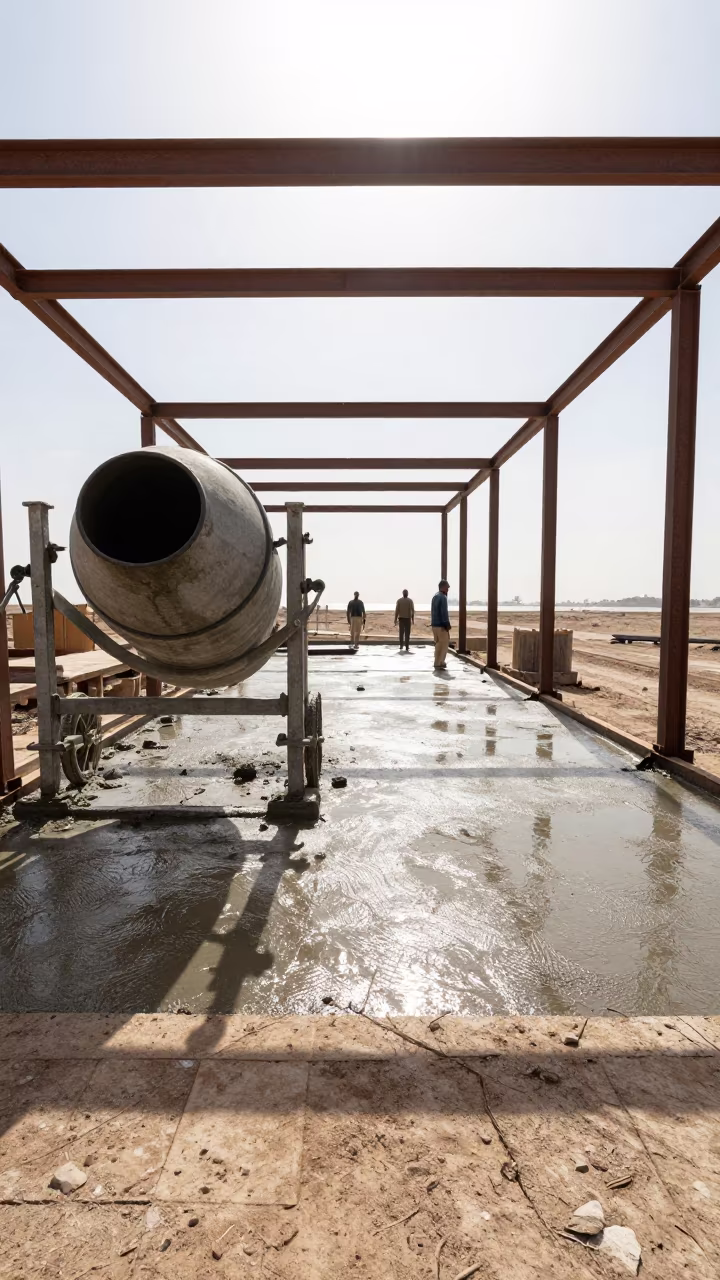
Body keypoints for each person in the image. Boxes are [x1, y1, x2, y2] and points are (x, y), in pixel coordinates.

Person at [431, 579, 451, 669]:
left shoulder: (435, 596)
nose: (448, 589)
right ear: (443, 587)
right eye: (447, 587)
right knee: (444, 644)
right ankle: (440, 662)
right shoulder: (443, 597)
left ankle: (436, 661)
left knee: (438, 643)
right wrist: (446, 624)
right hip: (441, 625)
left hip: (434, 625)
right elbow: (444, 612)